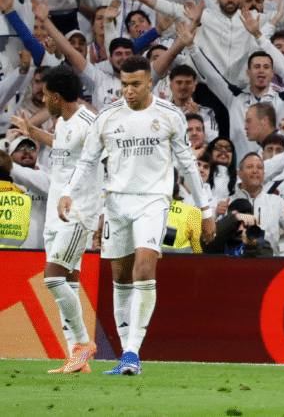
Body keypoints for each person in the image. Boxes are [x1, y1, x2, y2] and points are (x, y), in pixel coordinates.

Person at [56, 55, 215, 376]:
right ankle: (127, 354)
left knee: (144, 268)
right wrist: (67, 191)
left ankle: (131, 352)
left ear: (149, 83)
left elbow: (187, 166)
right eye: (124, 84)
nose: (128, 91)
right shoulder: (108, 116)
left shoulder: (170, 115)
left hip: (154, 202)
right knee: (120, 276)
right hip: (116, 203)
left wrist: (206, 210)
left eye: (135, 85)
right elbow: (87, 161)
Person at [9, 66, 103, 373]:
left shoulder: (89, 123)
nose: (43, 98)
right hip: (56, 213)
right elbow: (64, 148)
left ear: (57, 96)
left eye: (47, 94)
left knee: (53, 277)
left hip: (77, 212)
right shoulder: (63, 121)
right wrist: (34, 133)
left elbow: (94, 164)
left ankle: (85, 343)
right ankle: (77, 357)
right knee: (70, 283)